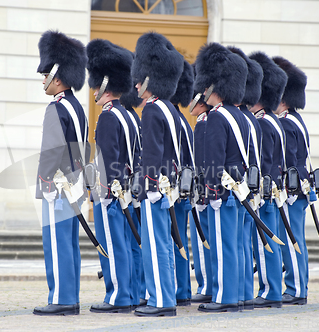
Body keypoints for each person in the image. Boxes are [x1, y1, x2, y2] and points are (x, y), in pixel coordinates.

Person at [33, 30, 89, 316]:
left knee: (56, 243)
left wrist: (43, 180)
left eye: (46, 75)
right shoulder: (77, 107)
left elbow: (51, 151)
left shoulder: (56, 108)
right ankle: (70, 295)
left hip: (57, 186)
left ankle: (61, 298)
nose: (43, 80)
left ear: (57, 76)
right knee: (69, 244)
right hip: (74, 184)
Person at [131, 32, 184, 317]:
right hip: (167, 186)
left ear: (150, 78)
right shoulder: (170, 109)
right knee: (163, 243)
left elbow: (151, 154)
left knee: (155, 245)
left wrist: (147, 185)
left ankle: (161, 300)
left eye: (140, 78)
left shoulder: (152, 110)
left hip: (155, 188)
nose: (136, 84)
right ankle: (165, 297)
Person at [193, 42, 249, 313]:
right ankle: (235, 294)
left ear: (214, 86)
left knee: (223, 245)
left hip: (223, 192)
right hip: (238, 190)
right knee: (235, 244)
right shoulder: (239, 115)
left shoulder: (217, 117)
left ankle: (224, 298)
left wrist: (210, 190)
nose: (203, 91)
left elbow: (214, 159)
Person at [86, 39, 139, 313]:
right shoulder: (128, 115)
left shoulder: (108, 116)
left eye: (97, 85)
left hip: (110, 192)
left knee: (112, 245)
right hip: (127, 190)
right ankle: (128, 293)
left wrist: (104, 192)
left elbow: (108, 159)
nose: (94, 90)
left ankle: (118, 296)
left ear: (105, 85)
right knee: (125, 245)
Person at [249, 51, 288, 308]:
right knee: (271, 240)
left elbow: (263, 163)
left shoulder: (262, 123)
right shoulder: (274, 121)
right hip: (275, 190)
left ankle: (270, 291)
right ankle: (273, 289)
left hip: (265, 192)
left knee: (265, 244)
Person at [228, 46, 263, 311]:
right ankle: (243, 293)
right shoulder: (248, 119)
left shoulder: (238, 118)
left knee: (236, 244)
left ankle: (238, 294)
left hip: (241, 187)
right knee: (241, 244)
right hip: (248, 187)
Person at [273, 56, 310, 306]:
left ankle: (296, 289)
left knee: (291, 238)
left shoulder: (286, 123)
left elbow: (291, 161)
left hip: (292, 189)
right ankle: (298, 286)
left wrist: (288, 189)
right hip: (298, 187)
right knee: (295, 237)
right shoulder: (295, 120)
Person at [169, 60, 195, 307]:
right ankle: (183, 289)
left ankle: (179, 289)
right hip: (182, 190)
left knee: (173, 241)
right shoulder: (182, 120)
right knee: (179, 241)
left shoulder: (170, 119)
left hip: (172, 191)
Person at [120, 86, 147, 307]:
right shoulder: (134, 117)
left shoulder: (115, 116)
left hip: (119, 189)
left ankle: (122, 295)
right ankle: (136, 290)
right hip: (134, 185)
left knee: (123, 243)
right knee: (134, 244)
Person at [189, 63, 213, 305]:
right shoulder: (204, 120)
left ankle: (206, 283)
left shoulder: (205, 122)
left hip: (204, 189)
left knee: (202, 239)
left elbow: (204, 160)